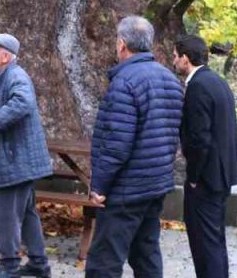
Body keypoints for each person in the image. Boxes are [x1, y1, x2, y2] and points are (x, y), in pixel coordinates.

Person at [86, 16, 184, 278]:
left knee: (104, 262)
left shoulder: (124, 83)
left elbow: (117, 144)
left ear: (121, 44)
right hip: (156, 184)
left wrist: (99, 186)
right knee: (146, 255)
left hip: (126, 189)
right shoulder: (171, 81)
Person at [0, 33, 53, 278]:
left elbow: (23, 102)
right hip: (18, 159)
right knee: (28, 213)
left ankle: (9, 267)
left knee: (6, 214)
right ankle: (39, 264)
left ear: (6, 55)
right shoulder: (3, 77)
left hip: (16, 161)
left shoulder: (15, 75)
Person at [174, 35, 237, 278]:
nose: (174, 61)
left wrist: (193, 176)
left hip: (206, 178)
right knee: (214, 242)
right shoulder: (218, 81)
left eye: (175, 56)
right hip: (222, 174)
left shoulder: (198, 86)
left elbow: (199, 138)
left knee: (204, 245)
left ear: (185, 58)